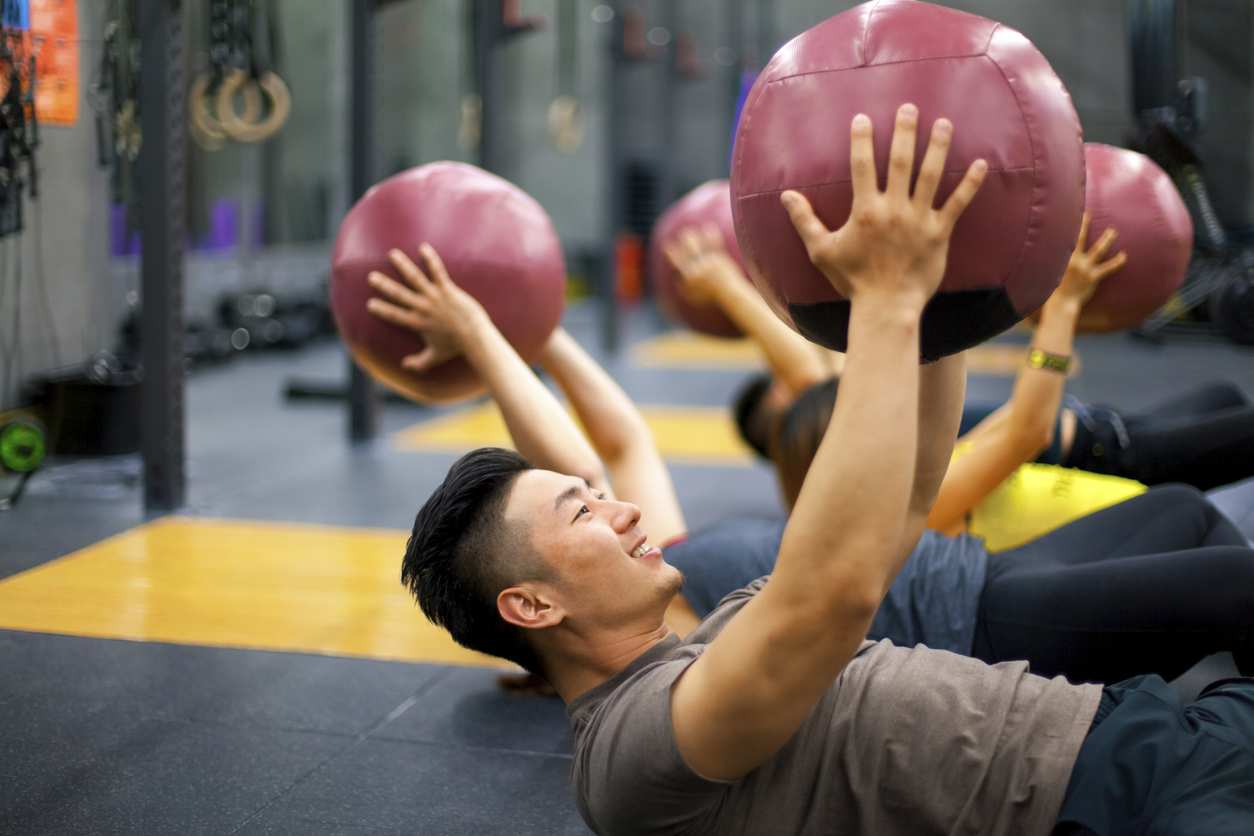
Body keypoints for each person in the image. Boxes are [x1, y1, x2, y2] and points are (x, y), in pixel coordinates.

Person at [377, 106, 1254, 834]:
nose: (620, 511)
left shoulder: (719, 626)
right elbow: (831, 593)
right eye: (580, 513)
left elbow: (907, 496)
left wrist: (948, 301)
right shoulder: (634, 752)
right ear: (533, 605)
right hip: (1122, 798)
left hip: (1143, 727)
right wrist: (886, 298)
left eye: (598, 500)